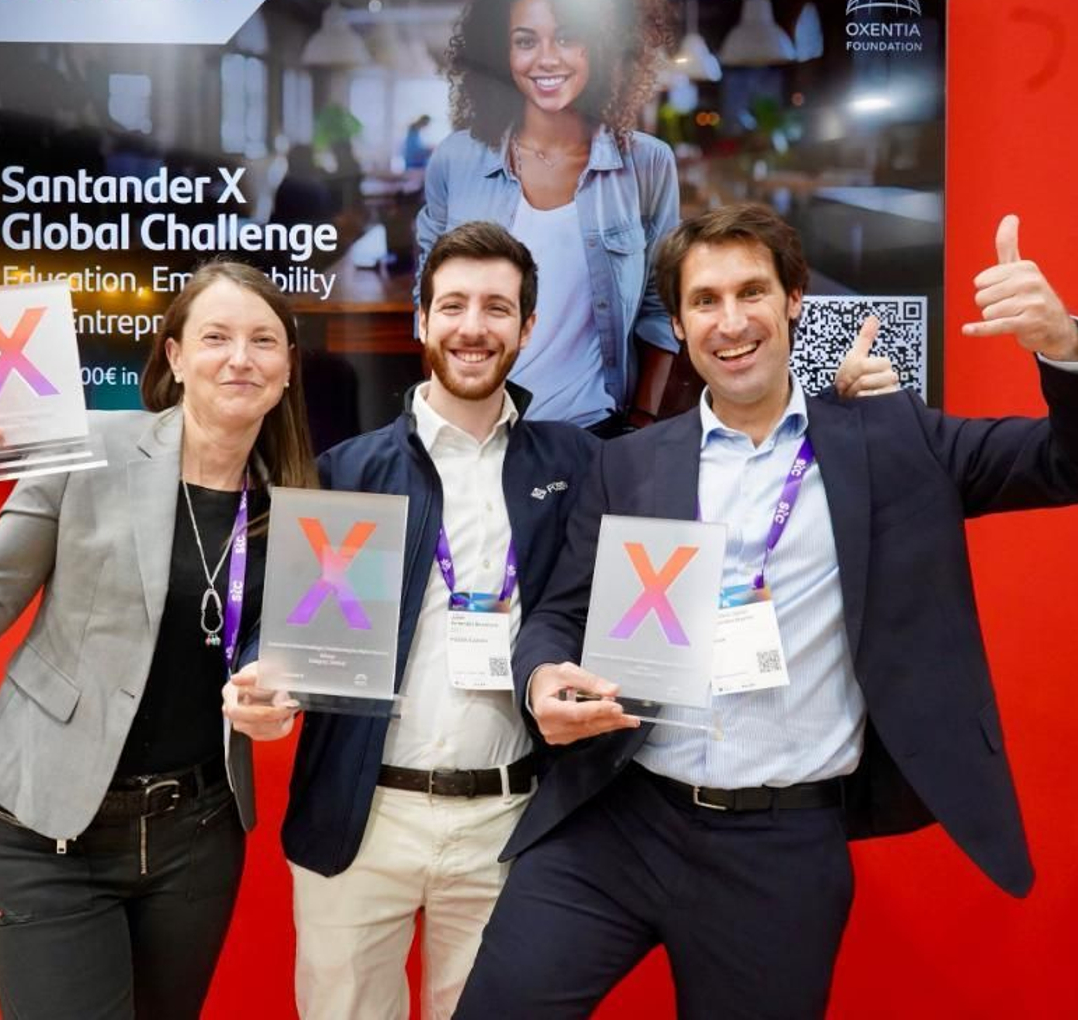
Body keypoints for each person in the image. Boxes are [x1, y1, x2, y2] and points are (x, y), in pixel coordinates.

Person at [454, 205, 1078, 1018]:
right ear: (678, 324)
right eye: (705, 300)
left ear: (794, 299)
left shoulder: (895, 447)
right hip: (618, 820)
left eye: (752, 291)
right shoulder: (629, 466)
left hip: (779, 849)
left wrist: (1064, 344)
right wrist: (542, 677)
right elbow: (560, 614)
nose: (731, 321)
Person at [223, 221, 897, 1020]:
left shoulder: (585, 466)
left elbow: (730, 443)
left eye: (498, 309)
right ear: (420, 320)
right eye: (454, 306)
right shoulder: (347, 470)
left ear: (527, 327)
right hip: (359, 817)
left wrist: (833, 407)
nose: (474, 328)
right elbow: (293, 624)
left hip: (507, 822)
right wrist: (268, 677)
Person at [0, 261, 316, 1019]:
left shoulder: (297, 506)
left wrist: (278, 701)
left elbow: (280, 669)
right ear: (176, 357)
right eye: (215, 337)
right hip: (49, 831)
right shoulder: (85, 449)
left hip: (197, 837)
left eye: (263, 341)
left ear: (286, 369)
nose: (240, 358)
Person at [417, 0, 679, 436]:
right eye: (525, 40)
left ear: (600, 46)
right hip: (476, 429)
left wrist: (640, 424)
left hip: (593, 433)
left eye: (567, 37)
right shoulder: (455, 161)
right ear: (501, 53)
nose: (546, 58)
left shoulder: (647, 165)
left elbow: (661, 307)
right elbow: (430, 300)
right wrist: (441, 420)